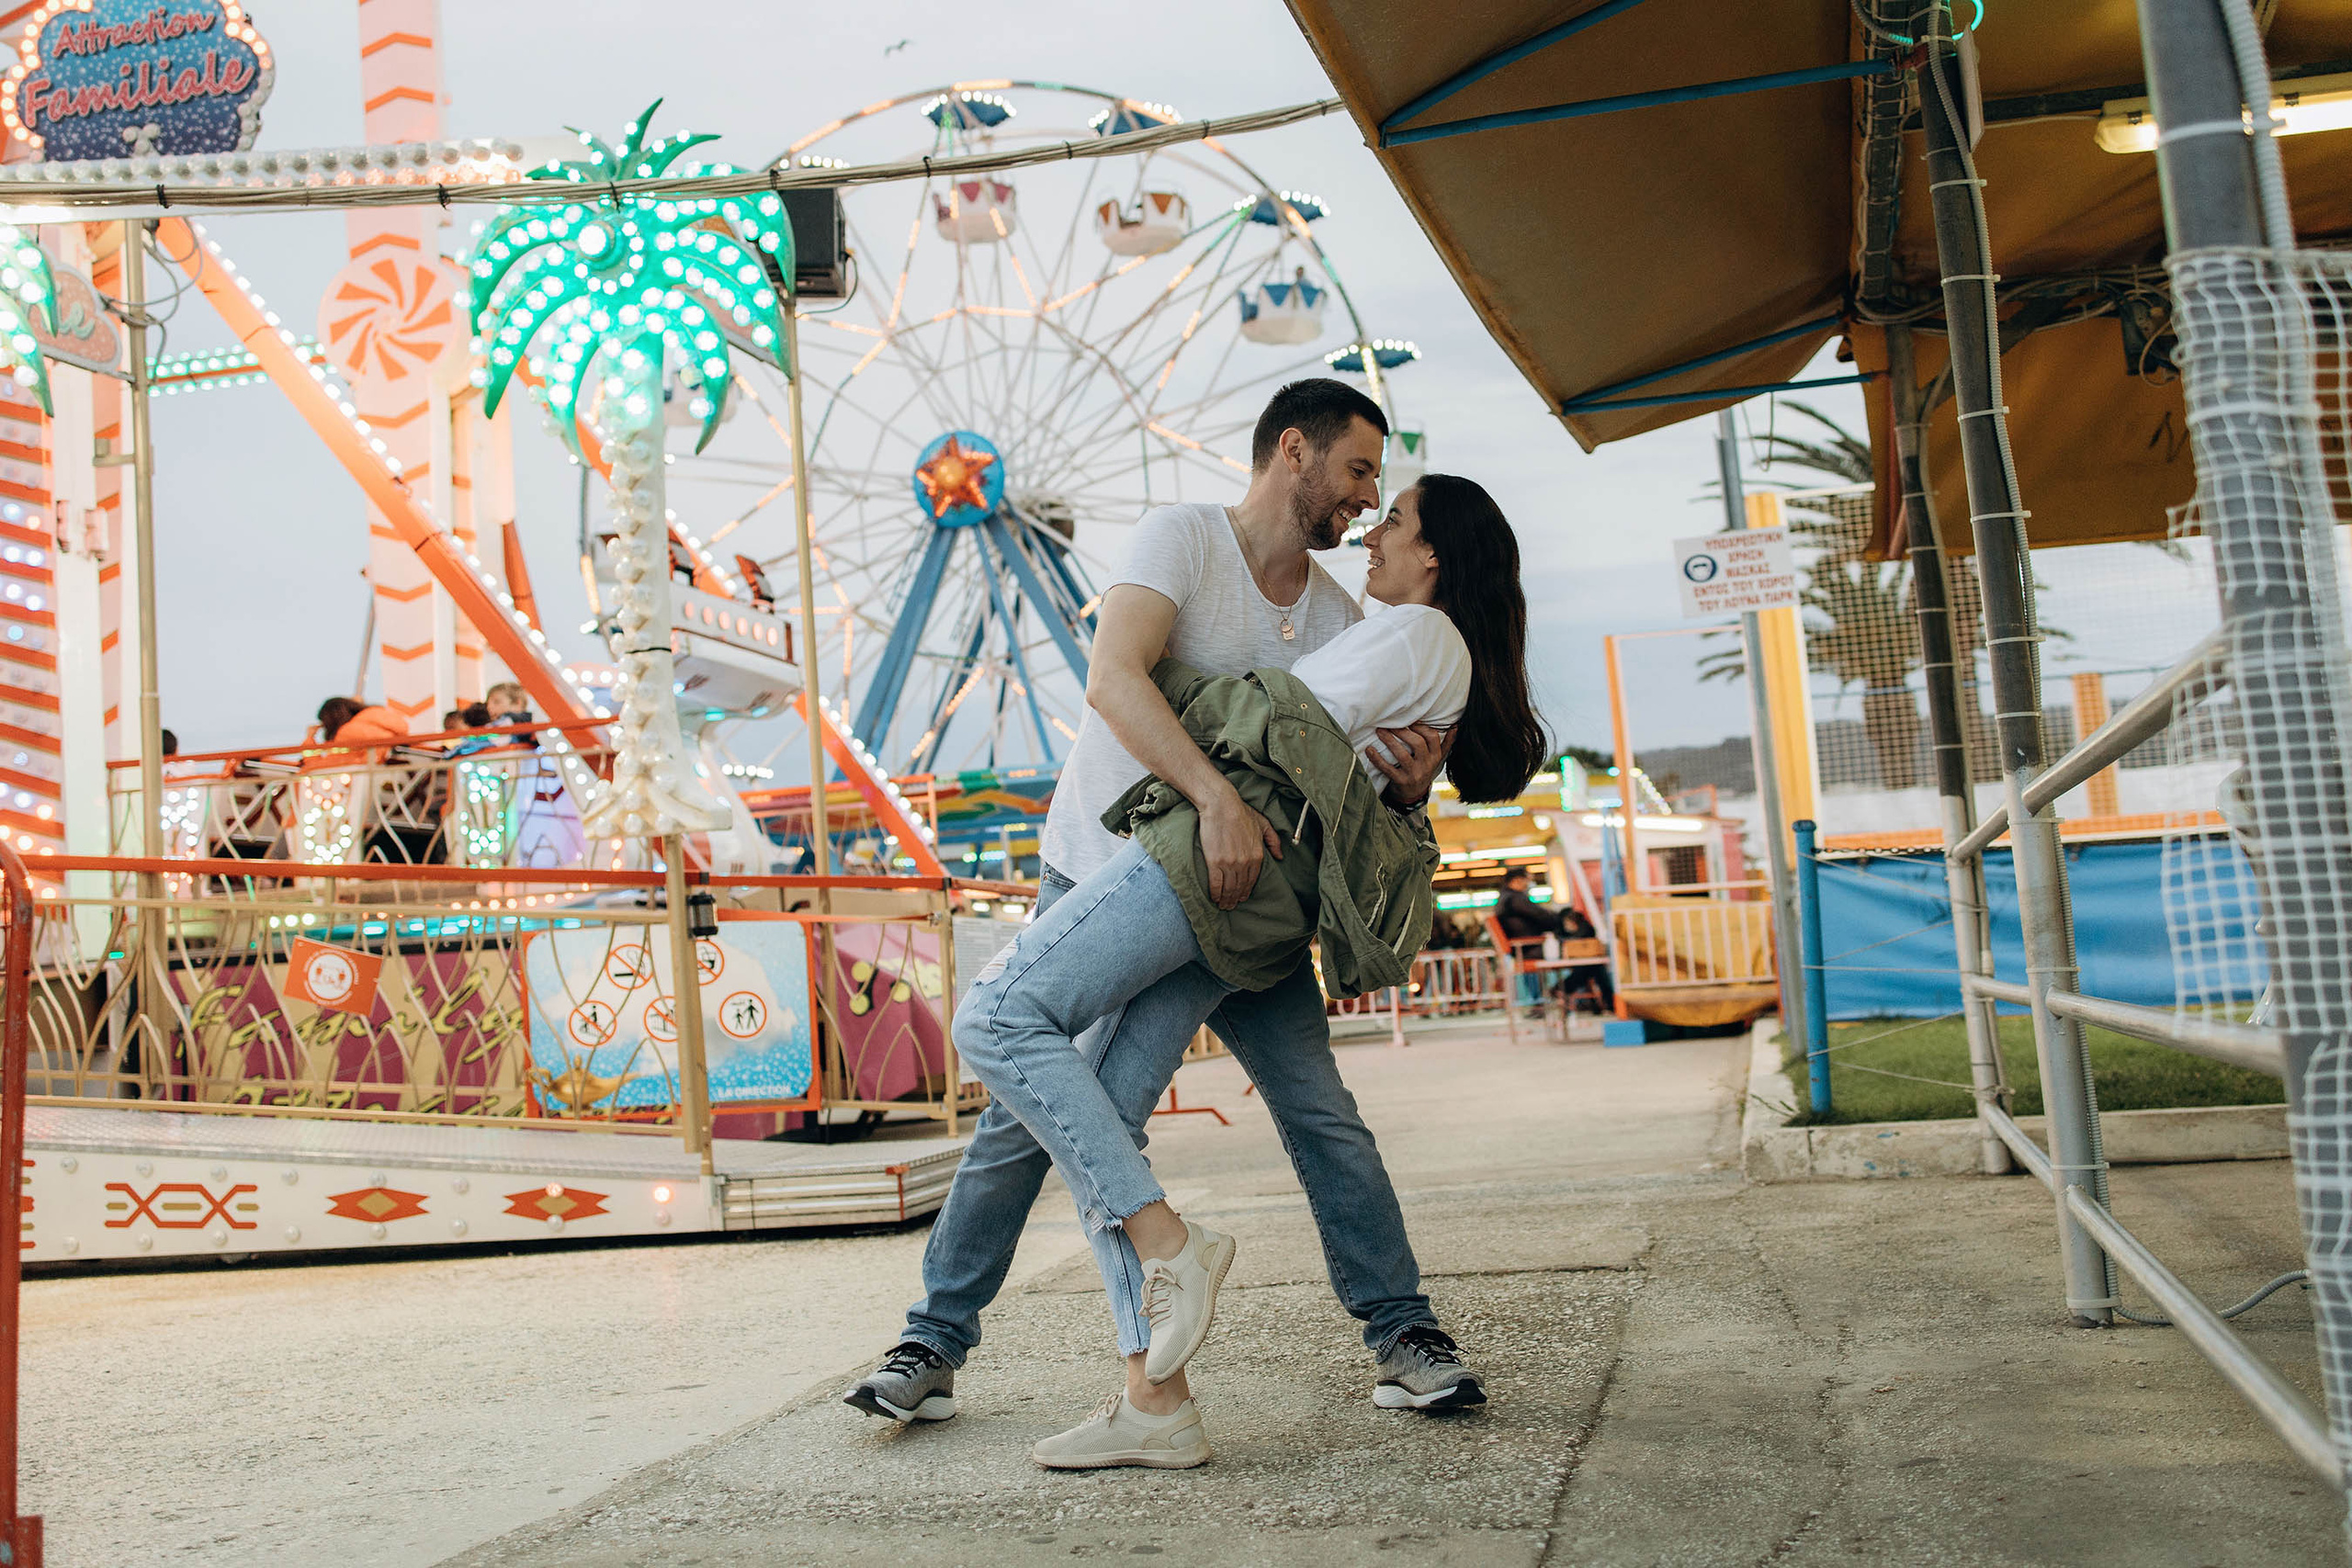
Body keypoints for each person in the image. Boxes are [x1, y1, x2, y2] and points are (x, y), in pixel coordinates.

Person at [941, 472, 1548, 1471]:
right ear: (1295, 452)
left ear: (1434, 554)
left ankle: (1170, 1245)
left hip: (1212, 858)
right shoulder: (1235, 561)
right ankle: (1154, 1397)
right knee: (1108, 1113)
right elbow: (1340, 755)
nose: (1369, 523)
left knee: (997, 1021)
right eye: (1362, 484)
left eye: (1389, 511)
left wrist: (1155, 683)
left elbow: (1288, 721)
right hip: (1251, 888)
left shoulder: (1407, 631)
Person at [1497, 867, 1612, 1012]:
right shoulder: (1515, 899)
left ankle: (1576, 994)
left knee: (1592, 961)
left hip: (1529, 948)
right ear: (1517, 880)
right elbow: (1542, 916)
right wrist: (1559, 920)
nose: (1529, 884)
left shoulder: (1506, 899)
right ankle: (1565, 990)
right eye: (1528, 880)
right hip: (1532, 948)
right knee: (1593, 961)